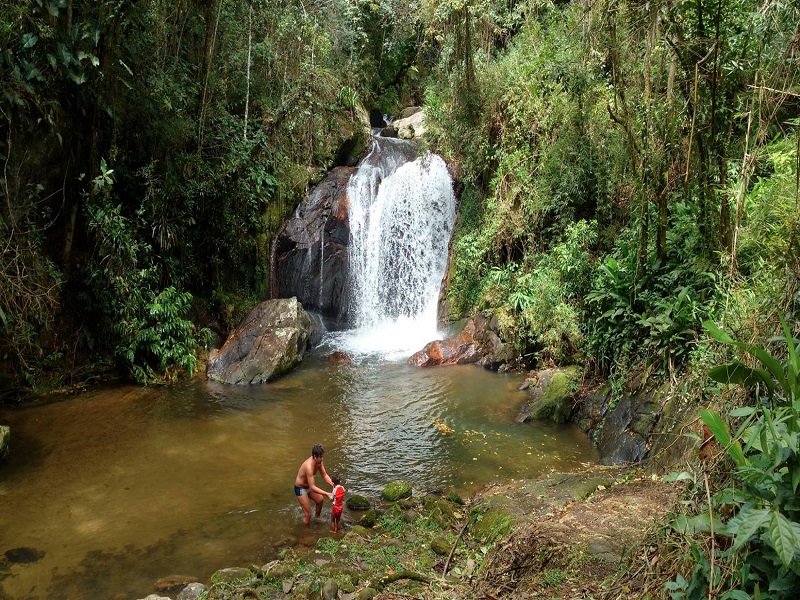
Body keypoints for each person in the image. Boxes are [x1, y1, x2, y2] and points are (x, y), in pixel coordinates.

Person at [294, 443, 333, 525]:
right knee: (308, 514)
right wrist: (327, 494)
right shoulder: (309, 467)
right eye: (320, 457)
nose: (322, 459)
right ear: (315, 456)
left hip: (308, 487)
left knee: (320, 500)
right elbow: (312, 487)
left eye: (322, 456)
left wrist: (333, 484)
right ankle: (306, 533)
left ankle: (317, 518)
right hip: (300, 489)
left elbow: (324, 475)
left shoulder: (319, 462)